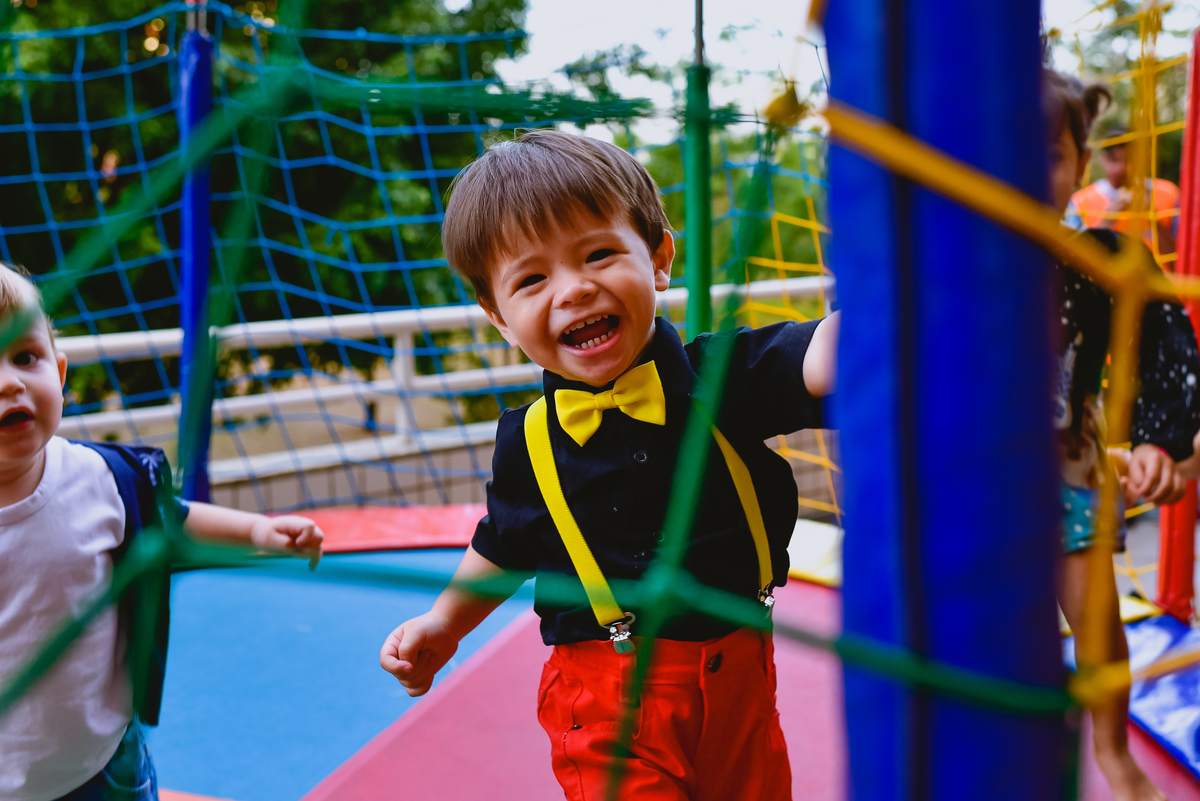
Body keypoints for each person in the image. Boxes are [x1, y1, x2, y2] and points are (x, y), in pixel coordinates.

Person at [379, 130, 838, 801]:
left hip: (741, 672)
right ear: (499, 317)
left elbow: (815, 356)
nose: (573, 289)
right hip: (608, 698)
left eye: (598, 254)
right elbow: (505, 541)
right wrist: (444, 623)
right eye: (533, 279)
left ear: (658, 261)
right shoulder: (529, 440)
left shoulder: (722, 378)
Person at [0, 263, 326, 801]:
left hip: (101, 764)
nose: (11, 381)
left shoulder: (100, 479)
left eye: (24, 357)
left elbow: (168, 515)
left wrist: (259, 531)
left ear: (59, 374)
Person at [1045, 70, 1200, 801]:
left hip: (1069, 470)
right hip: (974, 486)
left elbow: (1162, 341)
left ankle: (1111, 746)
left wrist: (1161, 440)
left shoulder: (1103, 256)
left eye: (1048, 153)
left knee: (1097, 619)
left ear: (1079, 165)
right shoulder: (953, 261)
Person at [1066, 126, 1181, 259]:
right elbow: (1072, 259)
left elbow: (1183, 260)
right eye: (1113, 159)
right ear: (1102, 159)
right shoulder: (1080, 202)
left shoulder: (1169, 194)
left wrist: (1153, 218)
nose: (1120, 168)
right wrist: (1108, 219)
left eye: (1128, 159)